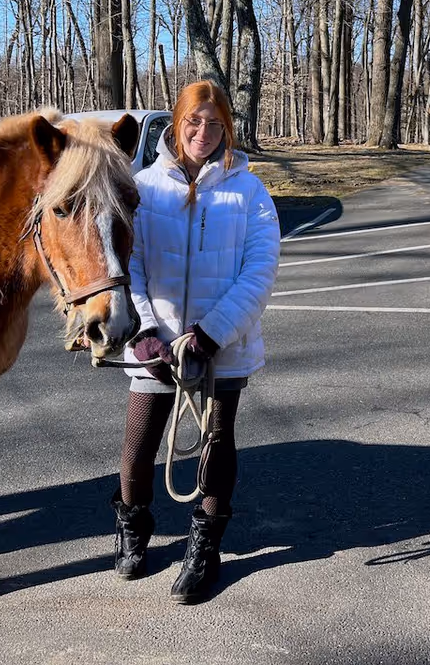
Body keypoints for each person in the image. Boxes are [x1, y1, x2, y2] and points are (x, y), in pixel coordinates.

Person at [111, 80, 280, 604]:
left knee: (216, 445)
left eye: (214, 125)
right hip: (155, 345)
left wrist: (210, 335)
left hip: (220, 347)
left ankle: (205, 547)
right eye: (193, 122)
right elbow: (127, 265)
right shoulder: (142, 186)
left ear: (226, 128)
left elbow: (259, 271)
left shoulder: (249, 191)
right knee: (138, 448)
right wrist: (144, 333)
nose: (203, 133)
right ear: (175, 125)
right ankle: (132, 526)